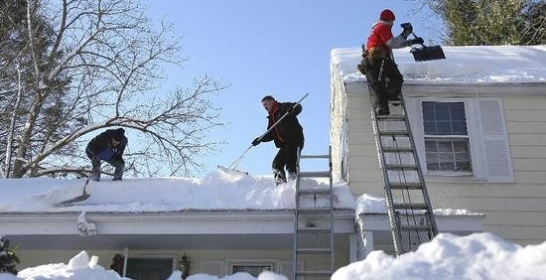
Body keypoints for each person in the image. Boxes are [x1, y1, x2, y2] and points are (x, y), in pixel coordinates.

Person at [361, 9, 424, 115]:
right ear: (389, 20)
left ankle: (383, 108)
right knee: (396, 77)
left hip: (372, 60)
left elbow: (394, 44)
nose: (393, 24)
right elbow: (391, 43)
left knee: (377, 84)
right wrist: (404, 34)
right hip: (378, 58)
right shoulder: (383, 27)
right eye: (392, 21)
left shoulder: (379, 28)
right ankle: (391, 94)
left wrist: (410, 41)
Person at [251, 95, 304, 186]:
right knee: (276, 164)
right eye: (263, 106)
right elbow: (270, 133)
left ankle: (293, 182)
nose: (265, 107)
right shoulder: (272, 118)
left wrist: (292, 109)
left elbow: (298, 106)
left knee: (290, 162)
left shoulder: (283, 107)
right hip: (285, 144)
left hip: (294, 140)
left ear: (272, 101)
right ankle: (281, 185)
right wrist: (260, 139)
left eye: (266, 104)